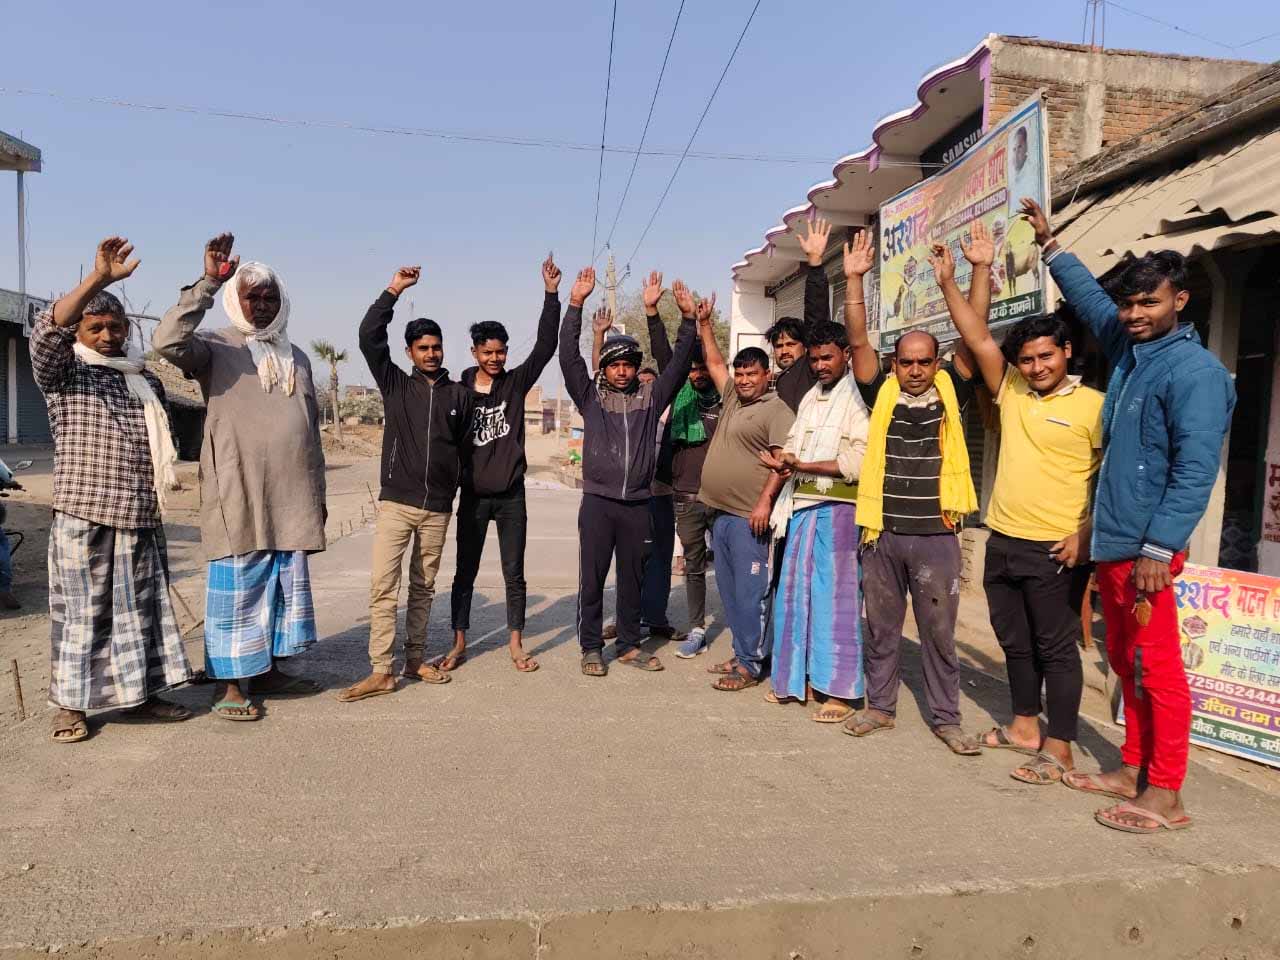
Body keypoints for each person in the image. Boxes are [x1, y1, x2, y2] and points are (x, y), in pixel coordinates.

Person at [1024, 198, 1236, 833]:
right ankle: (1133, 767)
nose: (1135, 314)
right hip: (1115, 544)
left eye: (1149, 302)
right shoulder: (1131, 350)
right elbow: (1092, 301)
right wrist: (1052, 247)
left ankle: (1166, 792)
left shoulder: (1194, 373)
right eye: (1129, 304)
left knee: (1158, 671)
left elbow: (1195, 470)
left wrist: (1158, 548)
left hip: (1148, 550)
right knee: (1126, 663)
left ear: (1180, 301)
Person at [933, 221, 1103, 785]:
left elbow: (1113, 480)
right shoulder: (1013, 390)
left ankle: (1060, 748)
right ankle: (1025, 727)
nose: (1036, 367)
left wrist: (1086, 533)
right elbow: (978, 337)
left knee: (1056, 649)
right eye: (1027, 359)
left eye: (1046, 356)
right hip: (1003, 538)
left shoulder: (1095, 406)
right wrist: (955, 279)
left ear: (1066, 352)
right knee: (1015, 643)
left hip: (1056, 546)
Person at [155, 234, 327, 721]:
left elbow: (310, 432)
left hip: (292, 496)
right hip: (239, 490)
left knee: (280, 587)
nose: (262, 305)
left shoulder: (297, 357)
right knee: (238, 587)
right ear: (237, 299)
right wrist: (209, 282)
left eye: (270, 296)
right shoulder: (214, 346)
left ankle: (267, 670)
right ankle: (228, 683)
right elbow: (166, 340)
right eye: (253, 296)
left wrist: (318, 495)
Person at [32, 237, 193, 743]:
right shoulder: (64, 372)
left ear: (127, 329)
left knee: (140, 615)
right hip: (84, 515)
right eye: (95, 327)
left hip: (140, 515)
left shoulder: (143, 379)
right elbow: (45, 332)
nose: (106, 335)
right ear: (79, 332)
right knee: (82, 616)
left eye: (115, 327)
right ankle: (70, 707)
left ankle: (140, 697)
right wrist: (99, 279)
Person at [843, 230, 983, 755]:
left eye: (925, 361)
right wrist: (853, 280)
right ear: (895, 364)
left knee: (939, 633)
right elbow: (859, 343)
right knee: (881, 629)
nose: (917, 370)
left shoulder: (952, 391)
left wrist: (967, 275)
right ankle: (880, 708)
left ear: (937, 362)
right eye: (907, 362)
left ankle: (947, 718)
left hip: (936, 537)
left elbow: (975, 333)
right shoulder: (880, 393)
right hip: (882, 536)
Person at [337, 265, 473, 701]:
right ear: (410, 352)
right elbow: (368, 336)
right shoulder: (395, 384)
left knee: (423, 587)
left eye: (436, 347)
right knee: (383, 586)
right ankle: (382, 669)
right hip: (397, 503)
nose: (431, 354)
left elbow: (466, 450)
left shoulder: (459, 395)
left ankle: (414, 659)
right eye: (423, 348)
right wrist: (394, 290)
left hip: (438, 508)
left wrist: (454, 490)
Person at [560, 268, 698, 677]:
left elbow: (678, 365)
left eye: (628, 365)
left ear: (637, 368)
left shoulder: (651, 398)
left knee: (632, 579)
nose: (622, 371)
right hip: (598, 503)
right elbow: (568, 358)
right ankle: (590, 647)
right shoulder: (591, 397)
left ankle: (627, 645)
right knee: (592, 579)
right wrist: (575, 304)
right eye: (615, 365)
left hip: (638, 504)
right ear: (605, 368)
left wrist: (687, 319)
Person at [442, 256, 562, 674]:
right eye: (488, 352)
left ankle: (515, 643)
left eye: (501, 351)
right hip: (474, 498)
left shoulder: (514, 383)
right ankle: (459, 643)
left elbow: (545, 346)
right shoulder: (457, 391)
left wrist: (551, 294)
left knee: (514, 573)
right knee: (465, 573)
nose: (495, 358)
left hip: (511, 497)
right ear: (475, 352)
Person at [761, 320, 869, 717]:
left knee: (835, 601)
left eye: (828, 358)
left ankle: (839, 690)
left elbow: (858, 461)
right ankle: (797, 680)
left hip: (840, 510)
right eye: (815, 359)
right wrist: (784, 463)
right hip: (801, 508)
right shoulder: (810, 397)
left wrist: (803, 465)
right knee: (794, 598)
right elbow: (793, 445)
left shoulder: (859, 397)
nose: (821, 365)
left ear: (846, 355)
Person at [696, 329, 795, 690]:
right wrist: (705, 325)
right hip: (721, 514)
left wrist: (764, 502)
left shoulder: (777, 410)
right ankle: (741, 653)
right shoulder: (734, 399)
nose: (744, 380)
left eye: (752, 374)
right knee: (732, 593)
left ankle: (751, 665)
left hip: (750, 518)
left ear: (768, 375)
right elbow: (714, 362)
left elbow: (782, 464)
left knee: (753, 594)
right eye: (739, 374)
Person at [769, 217, 837, 412]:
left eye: (791, 344)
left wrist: (815, 264)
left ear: (805, 345)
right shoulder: (782, 379)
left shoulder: (810, 368)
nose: (784, 351)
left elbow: (816, 317)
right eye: (779, 346)